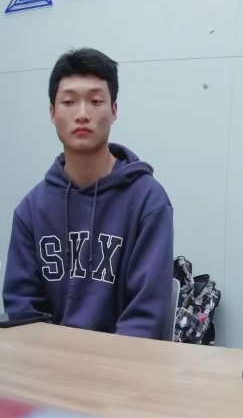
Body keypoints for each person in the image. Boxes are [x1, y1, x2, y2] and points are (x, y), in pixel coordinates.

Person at [2, 48, 175, 339]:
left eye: (95, 101)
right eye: (69, 102)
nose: (82, 114)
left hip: (124, 362)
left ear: (114, 111)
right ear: (52, 113)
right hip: (48, 361)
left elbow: (146, 317)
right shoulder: (31, 209)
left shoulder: (148, 201)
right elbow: (22, 311)